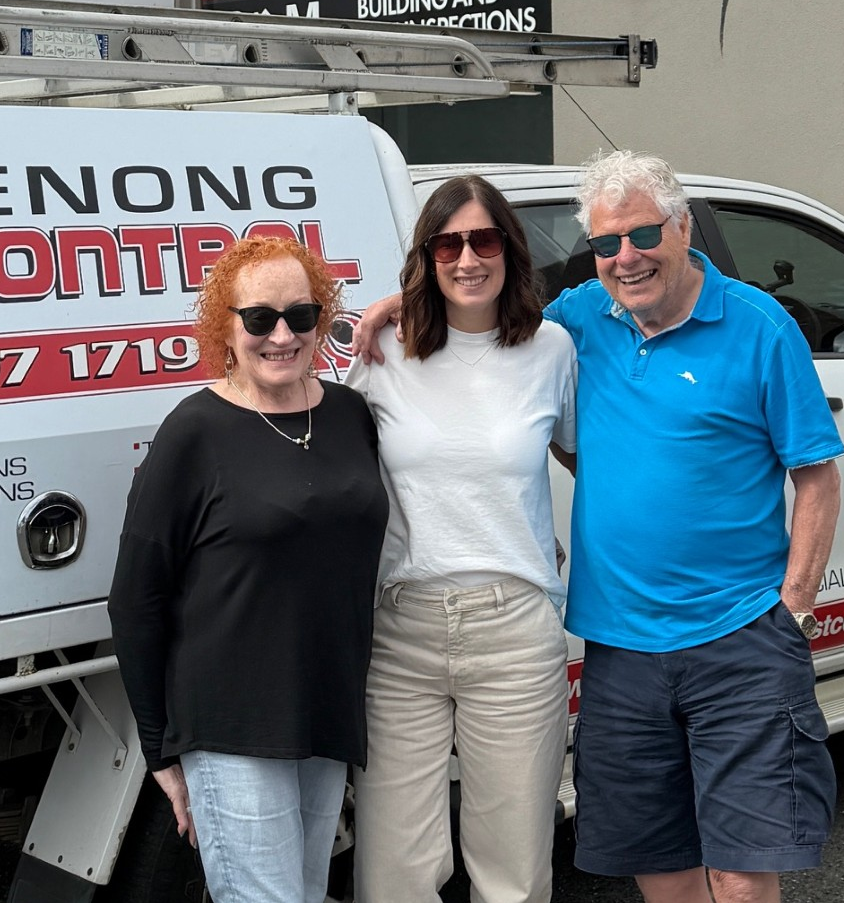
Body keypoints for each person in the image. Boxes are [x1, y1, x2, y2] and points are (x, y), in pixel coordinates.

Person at [357, 150, 844, 903]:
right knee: (662, 866)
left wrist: (795, 609)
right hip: (619, 647)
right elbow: (485, 331)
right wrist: (406, 298)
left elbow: (817, 474)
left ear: (683, 228)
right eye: (607, 243)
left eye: (644, 234)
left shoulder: (757, 325)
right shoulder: (578, 321)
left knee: (740, 872)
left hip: (739, 634)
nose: (627, 257)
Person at [108, 236, 389, 903]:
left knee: (308, 891)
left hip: (325, 711)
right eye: (260, 318)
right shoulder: (194, 431)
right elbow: (135, 598)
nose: (282, 335)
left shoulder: (349, 413)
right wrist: (160, 750)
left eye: (301, 315)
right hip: (231, 724)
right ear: (226, 327)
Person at [345, 175, 577, 903]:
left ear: (510, 248)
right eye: (448, 244)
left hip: (515, 632)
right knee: (393, 873)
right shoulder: (384, 350)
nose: (468, 259)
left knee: (513, 873)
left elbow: (587, 459)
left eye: (484, 240)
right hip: (401, 631)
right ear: (427, 256)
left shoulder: (552, 348)